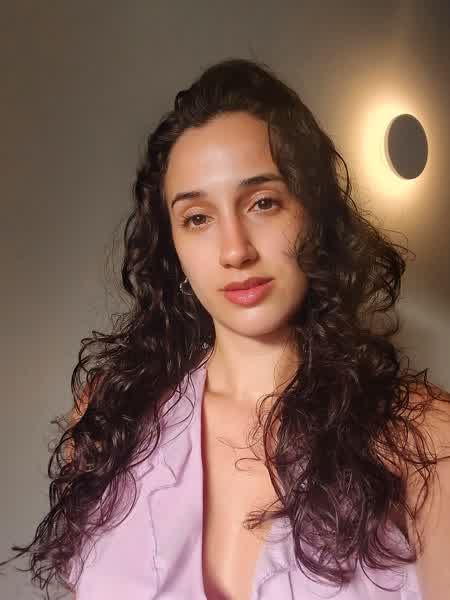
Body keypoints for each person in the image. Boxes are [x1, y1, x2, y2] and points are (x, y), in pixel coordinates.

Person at [2, 57, 450, 600]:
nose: (235, 250)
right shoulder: (109, 419)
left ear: (314, 215)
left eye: (263, 203)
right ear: (173, 246)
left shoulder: (426, 439)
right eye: (198, 218)